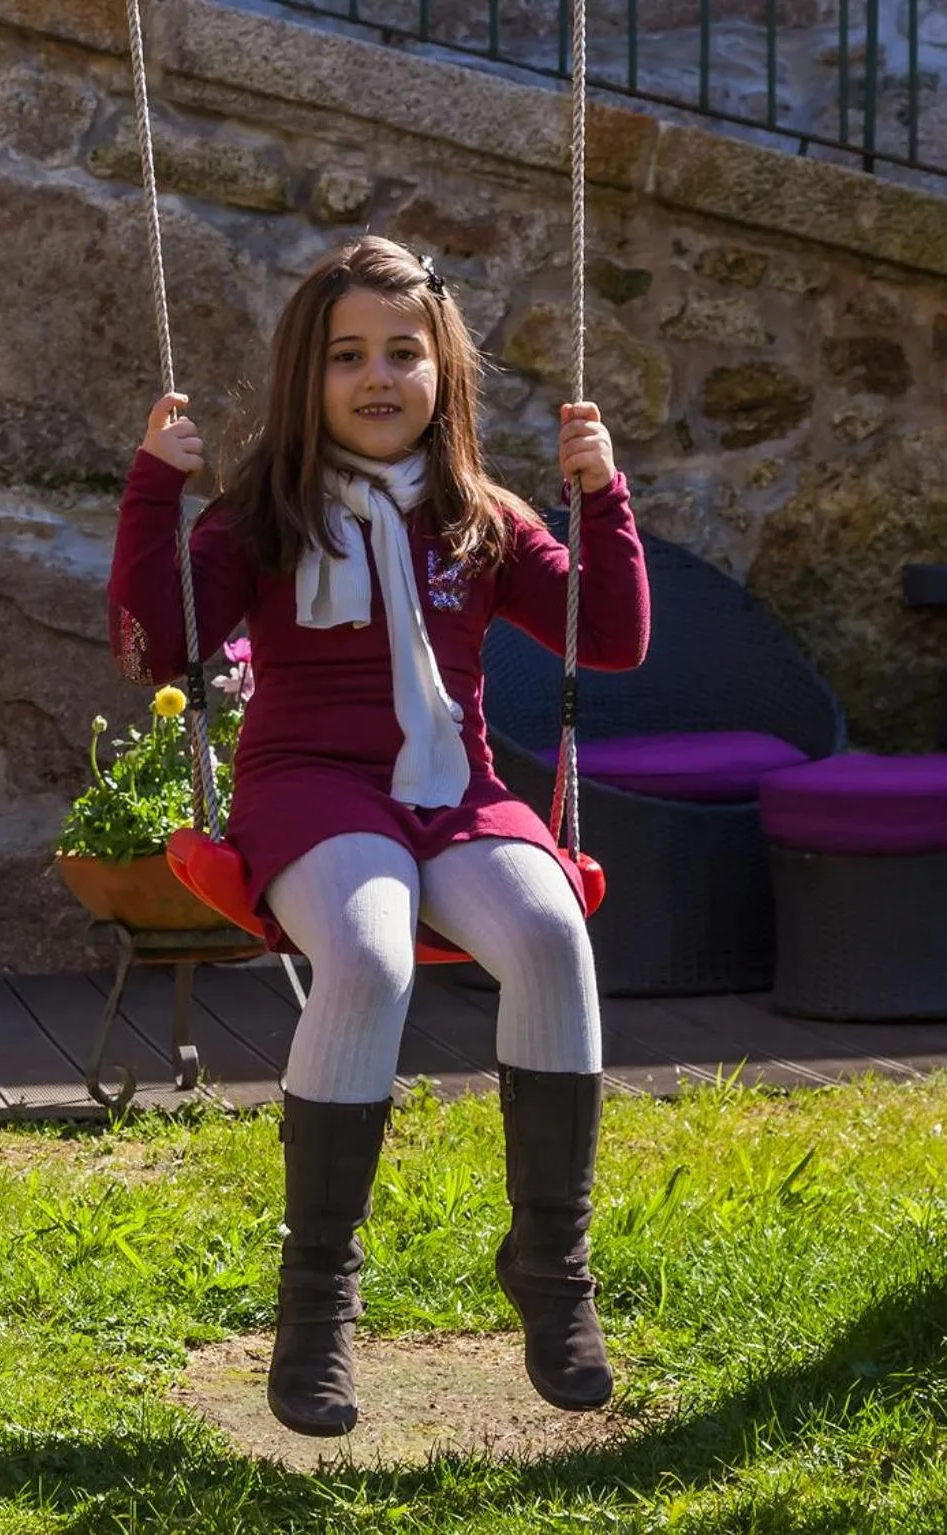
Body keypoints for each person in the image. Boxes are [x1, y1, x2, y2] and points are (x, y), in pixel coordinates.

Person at [107, 235, 650, 1436]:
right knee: (368, 954)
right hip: (308, 787)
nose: (375, 377)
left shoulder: (480, 517)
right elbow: (162, 640)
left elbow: (605, 636)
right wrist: (155, 487)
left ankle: (550, 1269)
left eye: (402, 353)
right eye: (347, 354)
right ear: (307, 377)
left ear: (441, 374)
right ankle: (316, 1310)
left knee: (554, 933)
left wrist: (599, 492)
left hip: (454, 789)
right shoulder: (261, 515)